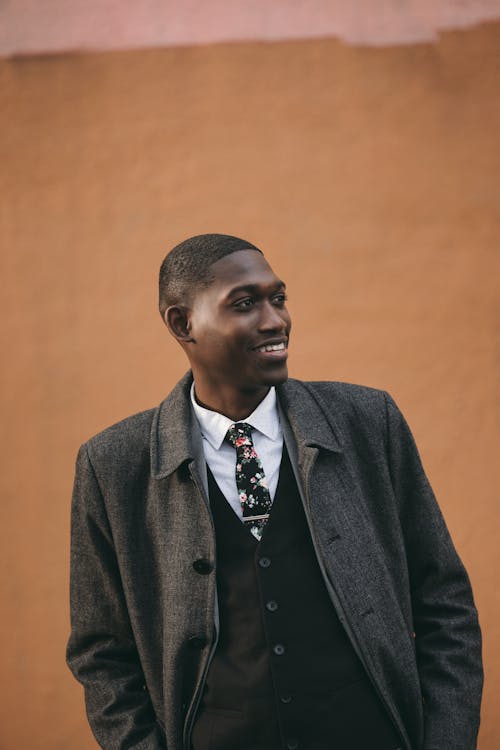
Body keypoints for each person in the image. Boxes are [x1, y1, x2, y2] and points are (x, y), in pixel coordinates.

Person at [67, 234, 483, 750]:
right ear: (182, 323)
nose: (274, 321)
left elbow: (444, 601)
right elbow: (101, 651)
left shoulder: (368, 423)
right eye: (244, 304)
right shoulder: (113, 466)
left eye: (278, 298)